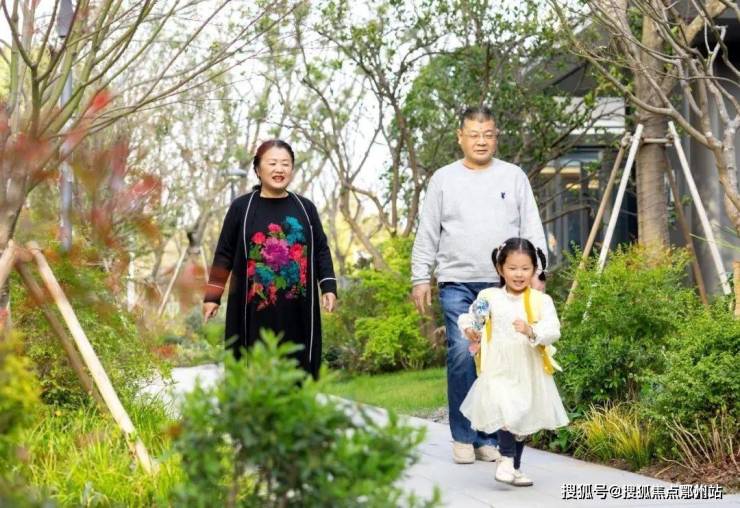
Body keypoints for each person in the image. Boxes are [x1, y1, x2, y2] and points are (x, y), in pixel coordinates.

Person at [410, 106, 548, 464]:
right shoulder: (443, 179)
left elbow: (532, 226)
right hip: (457, 282)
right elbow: (428, 231)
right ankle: (462, 435)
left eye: (487, 134)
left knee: (497, 359)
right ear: (461, 137)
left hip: (502, 284)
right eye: (474, 134)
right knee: (461, 350)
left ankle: (487, 437)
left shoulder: (513, 176)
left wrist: (539, 272)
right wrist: (420, 277)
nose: (481, 141)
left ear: (496, 136)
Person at [202, 139, 337, 378]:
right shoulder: (241, 208)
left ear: (292, 169)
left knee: (298, 370)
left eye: (285, 164)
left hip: (298, 311)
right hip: (252, 312)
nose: (279, 169)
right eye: (272, 163)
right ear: (257, 169)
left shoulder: (305, 208)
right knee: (251, 370)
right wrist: (213, 296)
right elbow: (224, 252)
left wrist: (328, 287)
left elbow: (321, 250)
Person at [457, 237, 568, 486]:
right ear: (500, 268)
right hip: (499, 366)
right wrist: (471, 329)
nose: (519, 274)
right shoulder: (489, 296)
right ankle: (506, 460)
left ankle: (514, 468)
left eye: (525, 268)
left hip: (528, 368)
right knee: (506, 411)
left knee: (521, 421)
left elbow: (553, 330)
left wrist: (531, 330)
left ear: (534, 269)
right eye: (512, 268)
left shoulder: (541, 300)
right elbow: (473, 317)